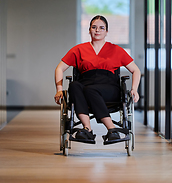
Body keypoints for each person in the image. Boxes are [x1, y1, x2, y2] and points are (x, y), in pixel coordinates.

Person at [54, 15, 141, 143]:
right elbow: (59, 68)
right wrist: (59, 89)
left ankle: (112, 129)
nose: (97, 30)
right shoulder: (79, 49)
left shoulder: (116, 50)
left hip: (109, 88)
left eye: (101, 28)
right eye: (94, 27)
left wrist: (134, 89)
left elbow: (136, 70)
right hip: (85, 84)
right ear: (89, 30)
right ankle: (87, 129)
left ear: (106, 31)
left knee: (90, 90)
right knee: (74, 86)